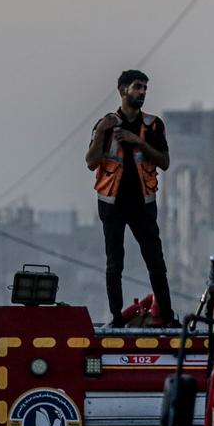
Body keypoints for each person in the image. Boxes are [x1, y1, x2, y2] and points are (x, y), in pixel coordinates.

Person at [85, 69, 176, 328]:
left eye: (145, 87)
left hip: (143, 204)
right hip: (112, 204)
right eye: (137, 87)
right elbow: (91, 162)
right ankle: (115, 318)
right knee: (115, 263)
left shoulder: (153, 125)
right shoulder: (106, 124)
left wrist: (139, 142)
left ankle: (167, 317)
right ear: (123, 90)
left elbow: (164, 162)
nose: (142, 92)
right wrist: (101, 133)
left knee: (156, 262)